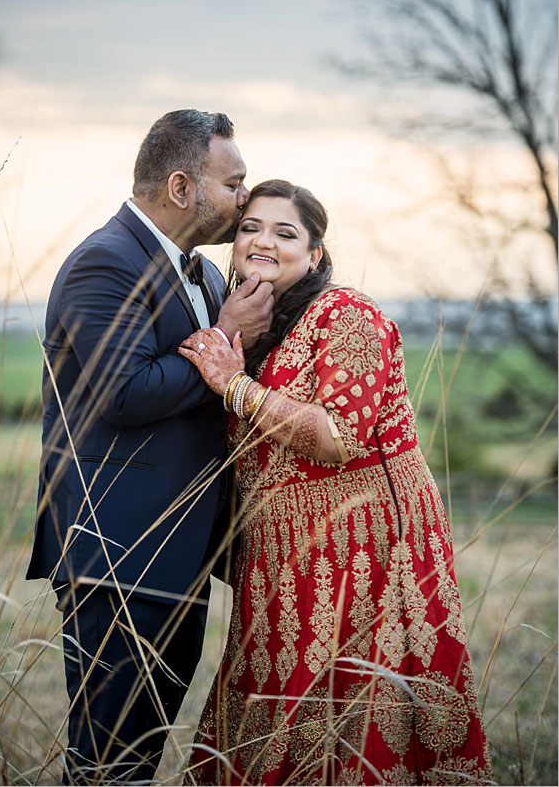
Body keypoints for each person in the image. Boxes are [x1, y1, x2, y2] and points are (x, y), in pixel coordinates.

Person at [179, 180, 493, 786]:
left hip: (366, 540)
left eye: (284, 232)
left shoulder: (347, 314)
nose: (262, 240)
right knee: (275, 694)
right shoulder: (254, 323)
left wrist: (235, 387)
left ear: (315, 255)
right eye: (250, 227)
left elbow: (337, 435)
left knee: (356, 699)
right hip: (279, 548)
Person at [25, 110, 274, 785]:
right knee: (108, 762)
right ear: (181, 186)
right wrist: (225, 333)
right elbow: (125, 393)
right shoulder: (104, 263)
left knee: (143, 754)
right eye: (234, 183)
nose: (243, 199)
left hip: (180, 556)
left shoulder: (204, 274)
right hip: (118, 557)